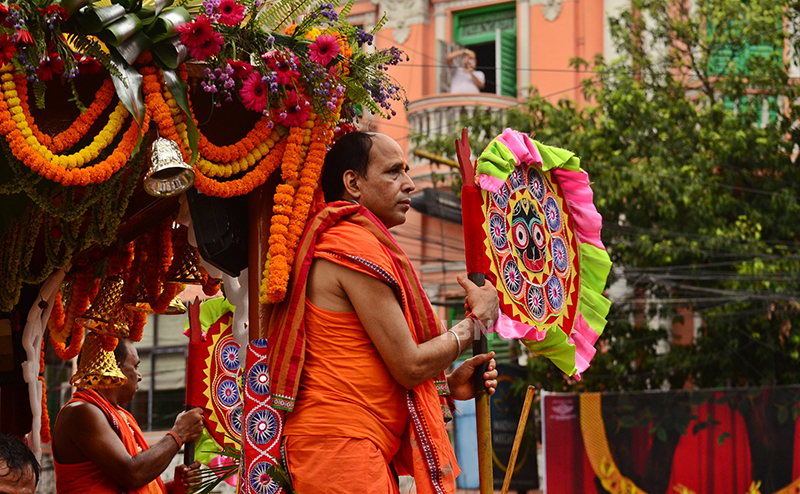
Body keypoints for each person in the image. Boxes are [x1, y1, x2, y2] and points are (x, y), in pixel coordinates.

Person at [268, 131, 500, 494]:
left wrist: (449, 387)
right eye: (394, 172)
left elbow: (375, 364)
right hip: (341, 447)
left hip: (352, 445)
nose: (409, 185)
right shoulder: (351, 245)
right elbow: (408, 366)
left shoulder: (359, 242)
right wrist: (475, 325)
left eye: (407, 171)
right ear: (353, 183)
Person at [52, 335, 204, 494]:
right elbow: (132, 474)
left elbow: (134, 484)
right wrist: (178, 434)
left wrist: (174, 488)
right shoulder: (82, 411)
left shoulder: (120, 415)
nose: (139, 376)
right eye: (136, 366)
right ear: (114, 368)